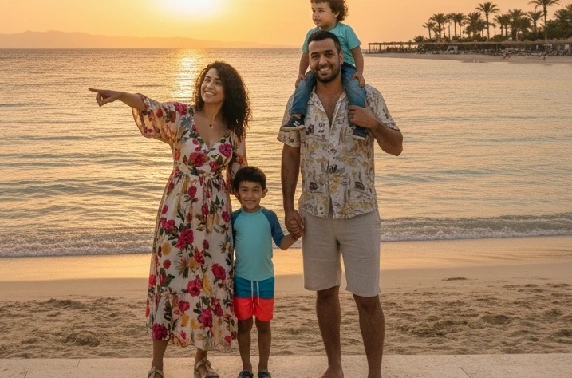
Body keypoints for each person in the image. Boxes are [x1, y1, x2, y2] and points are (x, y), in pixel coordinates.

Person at [90, 61, 251, 378]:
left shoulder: (233, 134)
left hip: (215, 219)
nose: (210, 85)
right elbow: (150, 106)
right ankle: (157, 364)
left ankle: (201, 361)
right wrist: (121, 94)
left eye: (218, 82)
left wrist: (259, 217)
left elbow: (240, 179)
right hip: (176, 213)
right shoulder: (182, 116)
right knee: (168, 281)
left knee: (210, 282)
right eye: (207, 79)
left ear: (228, 91)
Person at [279, 30, 403, 378]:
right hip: (315, 213)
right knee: (324, 294)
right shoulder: (298, 103)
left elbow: (396, 146)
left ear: (341, 56)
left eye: (328, 54)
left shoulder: (368, 96)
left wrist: (373, 123)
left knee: (367, 298)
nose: (322, 62)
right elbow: (290, 154)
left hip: (359, 211)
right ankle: (335, 366)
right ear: (309, 59)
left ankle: (374, 373)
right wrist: (288, 207)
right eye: (315, 56)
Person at [231, 166, 299, 378]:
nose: (249, 195)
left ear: (264, 192)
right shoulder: (233, 218)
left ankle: (263, 368)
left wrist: (296, 235)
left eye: (255, 190)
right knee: (244, 325)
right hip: (241, 280)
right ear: (236, 192)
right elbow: (227, 249)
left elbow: (282, 243)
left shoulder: (269, 216)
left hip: (265, 280)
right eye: (244, 190)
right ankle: (246, 368)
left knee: (263, 326)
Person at [281, 0, 367, 140]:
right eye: (313, 11)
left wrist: (359, 72)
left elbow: (357, 53)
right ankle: (296, 117)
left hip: (345, 68)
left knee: (355, 88)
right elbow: (306, 56)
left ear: (335, 12)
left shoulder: (345, 31)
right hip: (319, 70)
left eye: (320, 11)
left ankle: (359, 125)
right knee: (303, 85)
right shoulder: (311, 34)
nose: (315, 15)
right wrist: (301, 73)